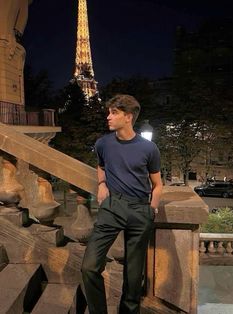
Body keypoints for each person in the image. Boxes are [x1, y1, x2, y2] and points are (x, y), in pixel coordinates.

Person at [81, 94, 162, 314]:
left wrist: (151, 208)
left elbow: (157, 183)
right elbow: (101, 165)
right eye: (109, 112)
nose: (108, 117)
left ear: (128, 117)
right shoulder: (103, 143)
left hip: (139, 210)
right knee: (89, 267)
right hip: (112, 207)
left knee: (134, 276)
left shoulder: (149, 148)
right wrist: (101, 183)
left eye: (113, 112)